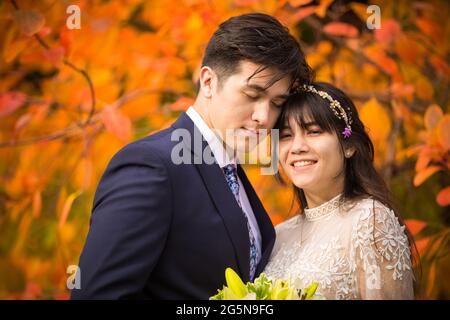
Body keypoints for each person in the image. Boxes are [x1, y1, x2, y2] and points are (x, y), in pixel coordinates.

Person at [71, 13, 313, 299]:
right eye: (251, 94)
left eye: (276, 103)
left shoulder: (231, 171)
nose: (264, 116)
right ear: (208, 82)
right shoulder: (151, 167)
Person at [263, 82, 416, 299]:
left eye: (314, 131)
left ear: (348, 145)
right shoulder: (278, 235)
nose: (297, 147)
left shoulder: (369, 221)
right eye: (286, 136)